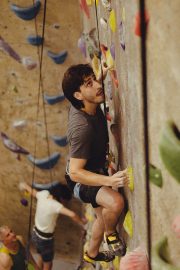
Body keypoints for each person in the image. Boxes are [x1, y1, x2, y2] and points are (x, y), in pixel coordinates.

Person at [62, 63, 129, 265]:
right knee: (116, 202)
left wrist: (97, 77)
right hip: (81, 180)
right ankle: (111, 234)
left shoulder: (85, 101)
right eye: (89, 84)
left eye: (93, 80)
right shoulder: (82, 128)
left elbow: (89, 88)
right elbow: (75, 172)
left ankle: (90, 255)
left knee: (102, 216)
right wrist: (108, 179)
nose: (97, 85)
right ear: (79, 95)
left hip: (92, 170)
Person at [19, 182, 86, 270]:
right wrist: (83, 223)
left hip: (35, 233)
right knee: (48, 264)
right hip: (45, 240)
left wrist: (24, 185)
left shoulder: (43, 194)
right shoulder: (55, 205)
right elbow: (72, 214)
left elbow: (32, 191)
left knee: (41, 256)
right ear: (60, 197)